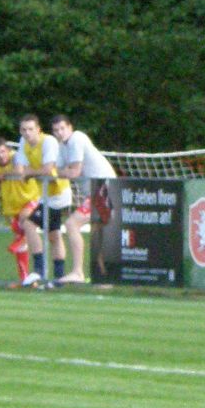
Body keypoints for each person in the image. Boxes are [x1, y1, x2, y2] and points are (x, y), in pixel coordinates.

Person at [51, 115, 117, 285]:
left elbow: (73, 172)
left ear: (70, 128)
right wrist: (53, 172)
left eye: (62, 128)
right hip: (96, 190)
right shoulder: (62, 147)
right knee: (97, 232)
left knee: (72, 224)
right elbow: (56, 169)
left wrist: (55, 173)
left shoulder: (77, 138)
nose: (60, 133)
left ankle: (78, 273)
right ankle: (104, 279)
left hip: (104, 188)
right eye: (56, 130)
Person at [14, 113, 73, 285]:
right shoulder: (23, 142)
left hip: (58, 193)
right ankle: (59, 278)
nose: (27, 133)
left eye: (30, 129)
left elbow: (48, 169)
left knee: (29, 224)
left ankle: (38, 270)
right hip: (45, 195)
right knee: (54, 235)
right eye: (23, 130)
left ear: (38, 130)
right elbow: (19, 170)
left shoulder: (48, 142)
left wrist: (29, 172)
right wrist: (27, 172)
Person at [0, 136, 43, 287]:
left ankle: (21, 240)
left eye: (3, 151)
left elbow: (19, 172)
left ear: (8, 150)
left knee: (25, 220)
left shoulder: (17, 157)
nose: (1, 155)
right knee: (21, 243)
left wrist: (5, 175)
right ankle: (25, 280)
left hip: (31, 198)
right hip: (12, 206)